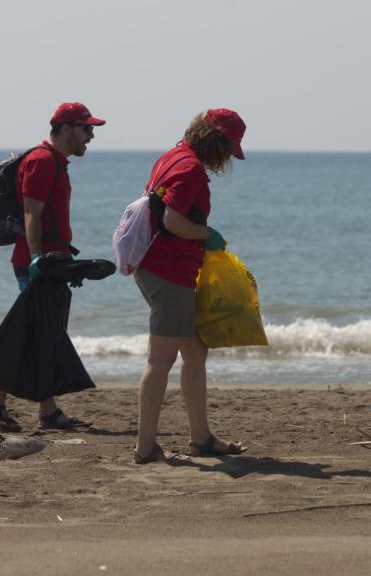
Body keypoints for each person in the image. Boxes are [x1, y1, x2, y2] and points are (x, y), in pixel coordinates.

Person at [0, 102, 103, 433]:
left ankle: (46, 412)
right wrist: (36, 260)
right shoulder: (42, 161)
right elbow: (32, 212)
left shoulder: (57, 163)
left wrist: (65, 265)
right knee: (32, 334)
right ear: (65, 128)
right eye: (86, 128)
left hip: (54, 261)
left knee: (43, 335)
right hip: (38, 263)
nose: (90, 135)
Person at [132, 109, 249, 464]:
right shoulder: (189, 167)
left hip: (164, 268)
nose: (228, 158)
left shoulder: (173, 155)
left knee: (196, 352)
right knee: (160, 361)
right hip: (168, 272)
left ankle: (201, 438)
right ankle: (145, 447)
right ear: (216, 142)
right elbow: (173, 220)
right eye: (228, 149)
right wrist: (207, 234)